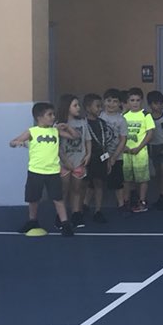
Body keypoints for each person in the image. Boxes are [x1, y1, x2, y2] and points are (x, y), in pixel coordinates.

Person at [12, 102, 78, 237]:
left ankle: (65, 223)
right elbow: (12, 142)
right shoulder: (32, 131)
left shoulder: (55, 131)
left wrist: (68, 127)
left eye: (53, 114)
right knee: (33, 198)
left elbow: (74, 136)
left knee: (58, 198)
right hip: (35, 171)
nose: (53, 117)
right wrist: (18, 143)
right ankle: (32, 221)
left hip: (53, 172)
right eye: (50, 114)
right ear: (39, 117)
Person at [57, 93, 91, 228]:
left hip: (79, 161)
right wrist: (65, 161)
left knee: (77, 189)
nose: (78, 108)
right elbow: (57, 146)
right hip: (64, 163)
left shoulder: (83, 122)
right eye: (75, 105)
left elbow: (87, 140)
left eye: (78, 105)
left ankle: (76, 213)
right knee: (64, 189)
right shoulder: (58, 125)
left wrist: (88, 154)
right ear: (67, 107)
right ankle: (61, 215)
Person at [122, 87, 155, 213]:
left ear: (142, 101)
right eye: (132, 100)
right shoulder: (124, 115)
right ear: (128, 102)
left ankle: (142, 202)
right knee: (126, 179)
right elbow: (120, 133)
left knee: (142, 179)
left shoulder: (146, 115)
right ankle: (126, 201)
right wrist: (123, 147)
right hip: (125, 152)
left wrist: (139, 147)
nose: (135, 103)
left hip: (140, 152)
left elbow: (150, 134)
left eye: (137, 100)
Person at [82, 93, 109, 223]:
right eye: (97, 106)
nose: (100, 109)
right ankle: (81, 207)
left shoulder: (102, 123)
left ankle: (98, 210)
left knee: (99, 183)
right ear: (88, 108)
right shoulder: (82, 124)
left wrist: (108, 159)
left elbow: (106, 142)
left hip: (101, 158)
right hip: (86, 158)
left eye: (101, 106)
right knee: (84, 183)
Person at [101, 88, 128, 212]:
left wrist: (113, 157)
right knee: (94, 182)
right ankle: (86, 205)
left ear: (120, 104)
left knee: (118, 182)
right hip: (100, 155)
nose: (111, 104)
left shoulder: (121, 120)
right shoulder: (99, 116)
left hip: (116, 156)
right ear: (104, 101)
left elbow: (123, 140)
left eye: (115, 101)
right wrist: (105, 156)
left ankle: (121, 205)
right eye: (109, 100)